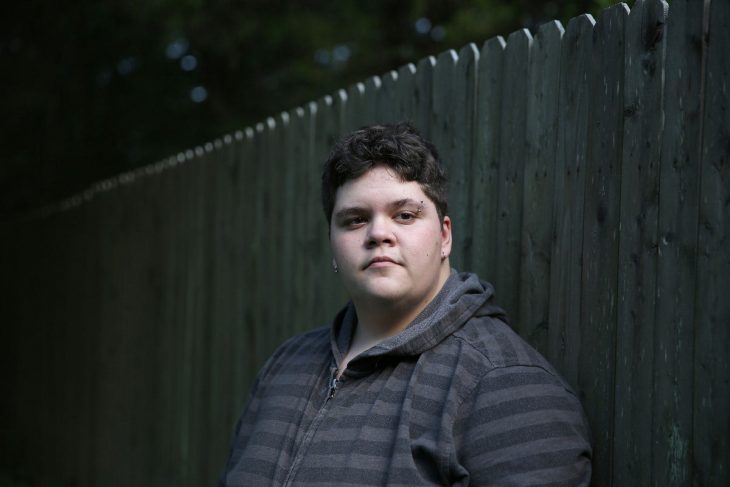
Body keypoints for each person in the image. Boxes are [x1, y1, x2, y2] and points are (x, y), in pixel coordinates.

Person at [219, 122, 592, 486]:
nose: (379, 233)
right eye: (355, 220)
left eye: (405, 215)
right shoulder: (285, 365)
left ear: (445, 236)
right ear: (332, 243)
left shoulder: (507, 385)